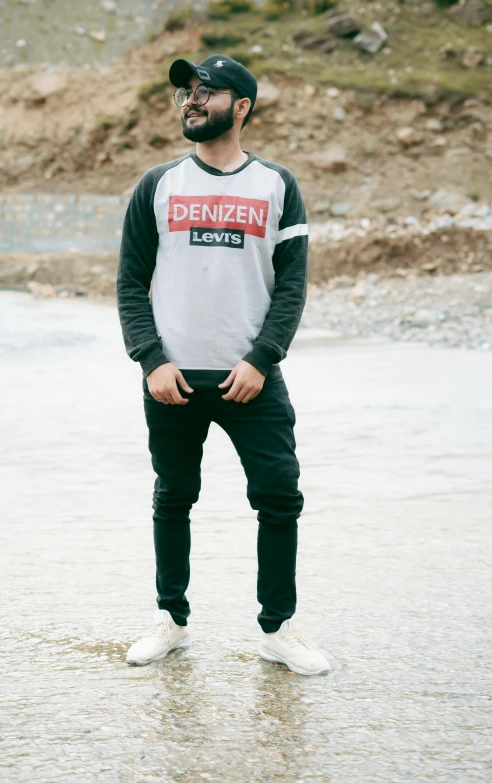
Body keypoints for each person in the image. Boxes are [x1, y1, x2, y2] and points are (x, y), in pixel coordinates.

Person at [116, 54, 330, 676]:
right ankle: (172, 620)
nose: (191, 99)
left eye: (205, 91)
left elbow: (292, 287)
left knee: (279, 497)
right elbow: (131, 282)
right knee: (174, 495)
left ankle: (278, 628)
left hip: (252, 377)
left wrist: (263, 359)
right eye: (186, 91)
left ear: (241, 106)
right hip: (173, 378)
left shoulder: (276, 185)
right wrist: (150, 360)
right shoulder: (158, 185)